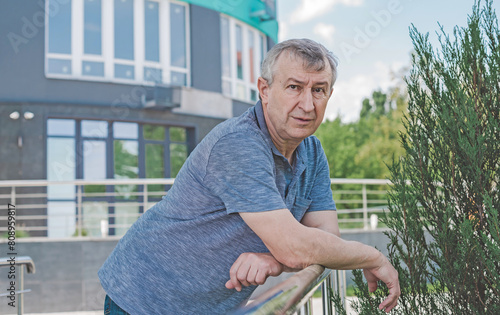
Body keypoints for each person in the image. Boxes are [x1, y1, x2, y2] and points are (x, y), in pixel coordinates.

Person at [98, 38, 400, 314]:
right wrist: (373, 256)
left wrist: (272, 259)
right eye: (294, 87)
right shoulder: (238, 143)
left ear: (329, 94)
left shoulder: (312, 151)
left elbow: (326, 238)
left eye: (318, 90)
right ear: (264, 90)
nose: (308, 105)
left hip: (211, 306)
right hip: (145, 298)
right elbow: (297, 249)